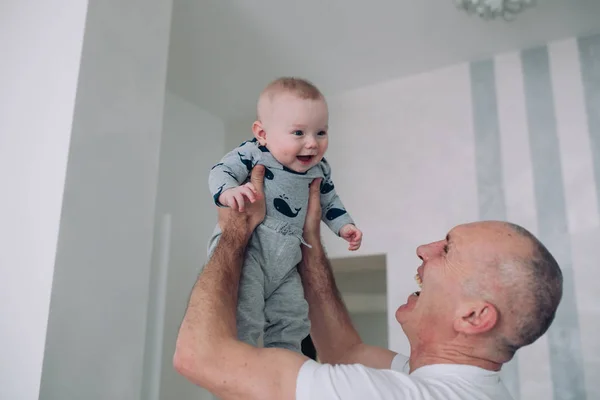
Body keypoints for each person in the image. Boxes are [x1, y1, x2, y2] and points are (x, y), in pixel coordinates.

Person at [174, 165, 563, 400]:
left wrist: (235, 232)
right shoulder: (459, 385)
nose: (424, 249)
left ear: (475, 316)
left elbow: (200, 357)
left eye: (447, 249)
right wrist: (309, 237)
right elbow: (346, 350)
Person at [206, 77, 362, 352]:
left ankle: (287, 362)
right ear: (263, 133)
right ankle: (244, 360)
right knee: (247, 312)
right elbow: (221, 170)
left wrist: (344, 225)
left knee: (292, 316)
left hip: (289, 257)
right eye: (299, 133)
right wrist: (228, 191)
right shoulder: (253, 153)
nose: (312, 144)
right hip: (251, 249)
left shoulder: (320, 170)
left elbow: (330, 201)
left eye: (321, 133)